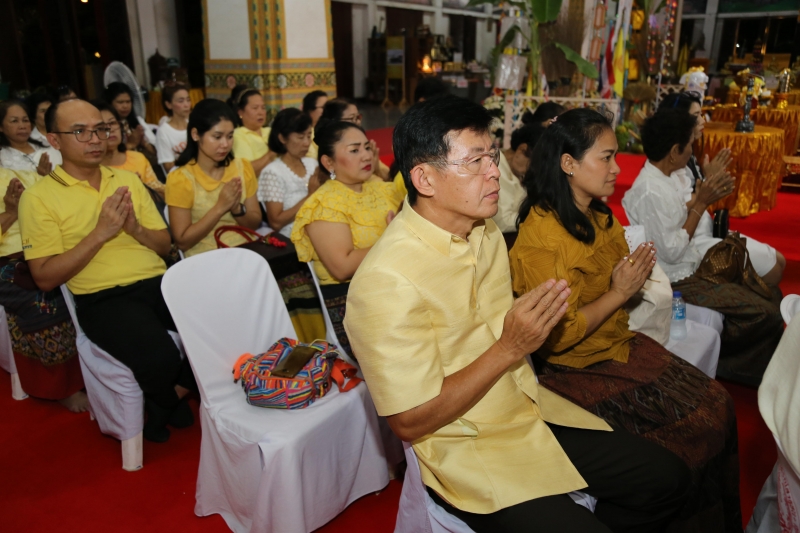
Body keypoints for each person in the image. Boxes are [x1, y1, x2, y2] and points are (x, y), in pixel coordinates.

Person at [344, 95, 690, 532]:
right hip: (465, 446)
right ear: (425, 178)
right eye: (475, 161)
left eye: (492, 156)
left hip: (525, 406)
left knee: (667, 479)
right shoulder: (385, 281)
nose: (495, 172)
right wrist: (510, 348)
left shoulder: (484, 230)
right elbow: (409, 421)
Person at [509, 108, 740, 531]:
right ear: (568, 163)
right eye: (607, 158)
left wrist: (628, 279)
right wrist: (620, 291)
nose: (618, 169)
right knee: (693, 436)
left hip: (615, 344)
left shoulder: (597, 214)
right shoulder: (541, 237)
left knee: (718, 405)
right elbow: (558, 338)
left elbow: (621, 277)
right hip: (571, 367)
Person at [18, 99, 195, 443]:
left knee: (224, 327)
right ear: (54, 140)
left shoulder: (126, 178)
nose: (95, 139)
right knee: (160, 355)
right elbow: (44, 277)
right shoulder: (39, 198)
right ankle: (167, 397)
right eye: (80, 132)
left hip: (159, 282)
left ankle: (165, 400)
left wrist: (134, 229)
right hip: (103, 298)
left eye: (100, 129)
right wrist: (100, 233)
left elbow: (163, 245)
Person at [623, 109, 783, 387]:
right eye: (690, 146)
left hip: (693, 262)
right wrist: (701, 202)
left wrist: (702, 195)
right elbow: (671, 252)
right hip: (678, 278)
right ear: (674, 151)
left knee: (772, 293)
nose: (692, 153)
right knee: (765, 312)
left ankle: (758, 366)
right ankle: (730, 364)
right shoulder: (649, 189)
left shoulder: (663, 178)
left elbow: (673, 216)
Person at [291, 120, 404, 356]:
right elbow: (342, 267)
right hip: (353, 304)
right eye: (354, 150)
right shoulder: (324, 204)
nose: (366, 156)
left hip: (395, 289)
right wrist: (393, 237)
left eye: (366, 148)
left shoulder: (382, 189)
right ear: (328, 162)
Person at [659, 91, 785, 285]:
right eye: (696, 116)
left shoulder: (688, 153)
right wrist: (706, 188)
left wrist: (707, 180)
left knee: (779, 260)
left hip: (705, 229)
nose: (702, 120)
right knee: (773, 270)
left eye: (702, 114)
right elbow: (674, 207)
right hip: (689, 242)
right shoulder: (669, 157)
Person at [0, 167, 85, 412]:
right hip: (5, 259)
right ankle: (63, 387)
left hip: (37, 248)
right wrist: (11, 213)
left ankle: (94, 371)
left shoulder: (14, 168)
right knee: (42, 299)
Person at [166, 99, 261, 257]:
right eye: (217, 137)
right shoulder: (181, 179)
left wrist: (237, 209)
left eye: (230, 136)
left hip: (246, 252)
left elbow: (255, 223)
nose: (225, 144)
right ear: (196, 135)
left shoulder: (242, 168)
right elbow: (182, 241)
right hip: (206, 258)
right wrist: (220, 207)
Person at [258, 108, 319, 237]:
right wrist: (310, 197)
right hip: (294, 236)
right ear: (282, 138)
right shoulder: (272, 173)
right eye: (300, 137)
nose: (307, 143)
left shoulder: (312, 163)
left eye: (308, 136)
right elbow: (276, 222)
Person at [94, 101, 165, 198]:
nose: (109, 129)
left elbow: (161, 195)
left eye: (112, 123)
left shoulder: (138, 158)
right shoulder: (92, 169)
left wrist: (141, 188)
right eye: (101, 127)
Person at [315, 99, 390, 180]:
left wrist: (376, 169)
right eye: (354, 150)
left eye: (358, 117)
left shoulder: (362, 142)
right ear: (336, 122)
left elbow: (389, 176)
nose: (357, 122)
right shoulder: (329, 149)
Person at [492, 122, 545, 233]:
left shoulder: (513, 171)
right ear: (522, 149)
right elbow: (503, 222)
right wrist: (541, 219)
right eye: (534, 164)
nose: (533, 170)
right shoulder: (497, 166)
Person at [0, 100, 62, 175]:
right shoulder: (2, 158)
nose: (22, 126)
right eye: (14, 121)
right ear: (1, 127)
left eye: (25, 120)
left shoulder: (48, 148)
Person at [104, 81, 157, 155]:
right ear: (109, 103)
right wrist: (130, 144)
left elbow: (155, 151)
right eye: (120, 102)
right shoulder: (105, 126)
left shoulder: (138, 121)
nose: (125, 106)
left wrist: (144, 143)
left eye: (128, 102)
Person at [232, 88, 275, 176]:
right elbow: (247, 171)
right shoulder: (238, 135)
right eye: (255, 108)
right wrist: (271, 153)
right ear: (240, 112)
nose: (261, 112)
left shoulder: (270, 131)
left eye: (263, 108)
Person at [155, 83, 191, 172]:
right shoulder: (163, 131)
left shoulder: (193, 124)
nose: (186, 105)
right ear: (168, 105)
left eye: (188, 100)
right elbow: (169, 167)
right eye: (181, 101)